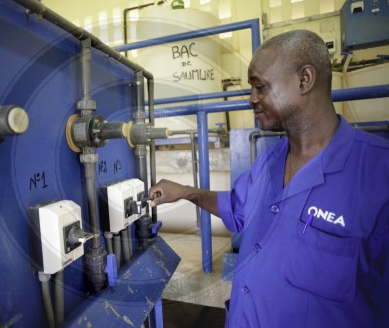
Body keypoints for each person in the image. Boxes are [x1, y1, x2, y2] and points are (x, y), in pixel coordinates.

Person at [149, 30, 389, 328]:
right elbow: (237, 210)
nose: (252, 98)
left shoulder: (379, 177)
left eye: (260, 86)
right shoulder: (270, 160)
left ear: (305, 80)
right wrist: (187, 192)